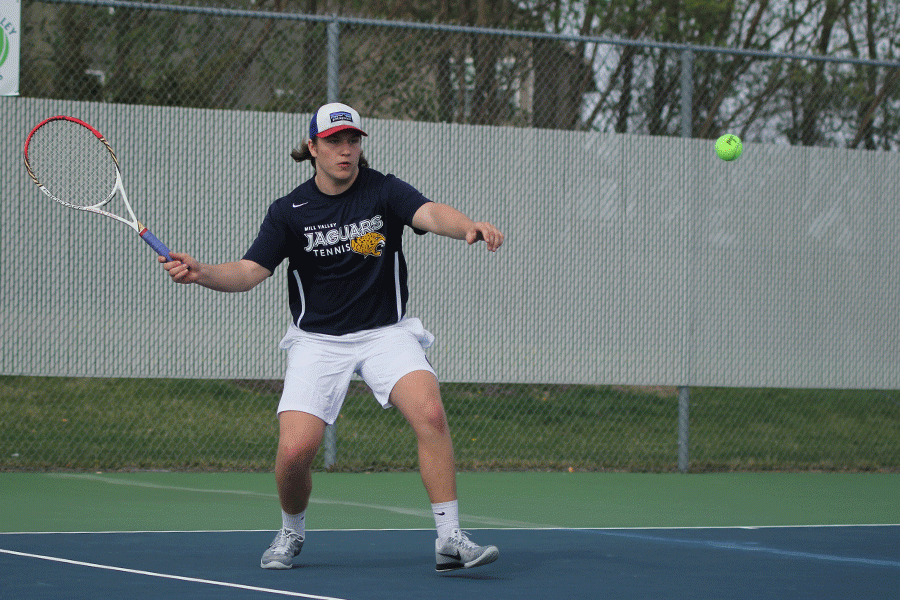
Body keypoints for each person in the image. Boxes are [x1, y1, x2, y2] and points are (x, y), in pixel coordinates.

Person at [159, 102, 504, 572]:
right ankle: (290, 531)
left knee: (430, 411)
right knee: (296, 451)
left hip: (386, 332)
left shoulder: (383, 190)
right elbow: (248, 271)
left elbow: (429, 212)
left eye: (353, 140)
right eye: (335, 141)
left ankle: (450, 539)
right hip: (317, 341)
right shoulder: (288, 211)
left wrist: (468, 225)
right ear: (313, 147)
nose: (346, 150)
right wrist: (201, 273)